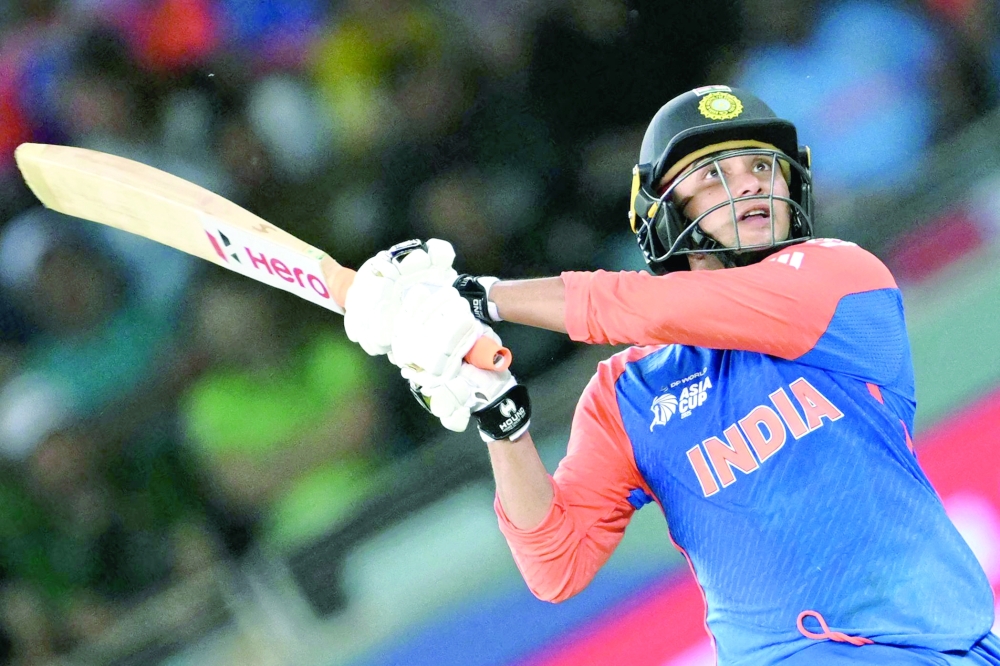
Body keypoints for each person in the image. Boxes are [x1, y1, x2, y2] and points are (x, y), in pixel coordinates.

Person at [343, 86, 1000, 664]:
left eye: (761, 167)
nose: (748, 185)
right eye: (713, 175)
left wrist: (480, 296)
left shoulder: (841, 281)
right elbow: (556, 567)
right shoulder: (627, 396)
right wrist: (502, 427)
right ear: (663, 211)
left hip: (952, 645)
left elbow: (640, 306)